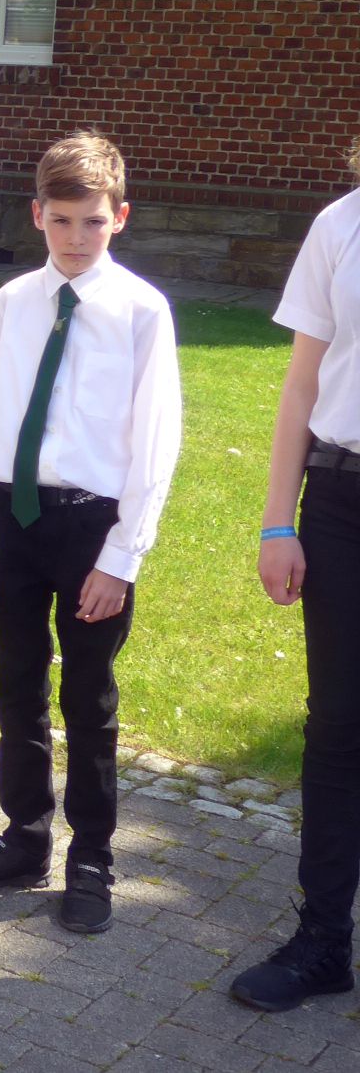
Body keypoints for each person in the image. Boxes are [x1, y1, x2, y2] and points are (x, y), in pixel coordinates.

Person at [0, 133, 180, 935]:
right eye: (63, 219)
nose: (77, 237)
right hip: (16, 517)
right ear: (37, 214)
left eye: (94, 221)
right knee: (17, 684)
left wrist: (122, 557)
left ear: (121, 218)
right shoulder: (13, 303)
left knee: (88, 695)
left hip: (91, 529)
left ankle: (92, 858)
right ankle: (25, 837)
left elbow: (155, 443)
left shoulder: (142, 312)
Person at [229, 143, 360, 1012]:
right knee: (338, 728)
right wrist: (280, 520)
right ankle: (323, 944)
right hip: (342, 500)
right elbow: (302, 386)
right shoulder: (341, 224)